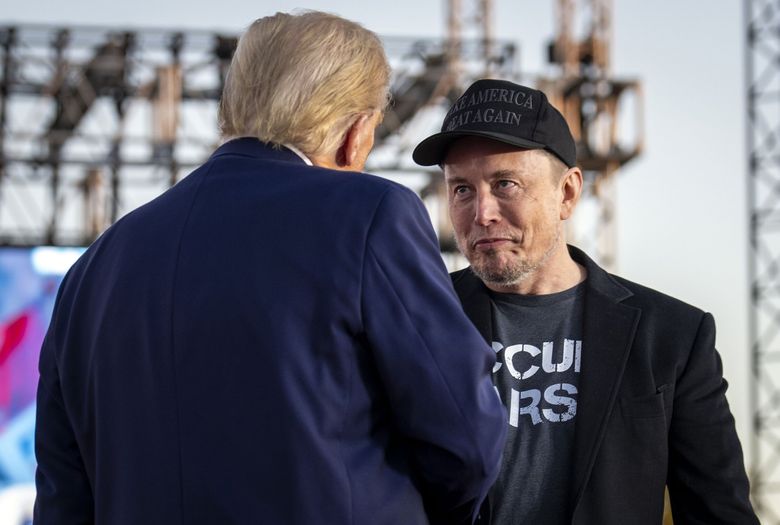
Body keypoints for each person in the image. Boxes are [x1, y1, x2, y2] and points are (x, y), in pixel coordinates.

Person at [34, 13, 507, 525]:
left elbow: (63, 496)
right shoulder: (369, 216)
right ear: (354, 132)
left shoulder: (93, 269)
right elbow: (465, 438)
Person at [412, 78, 758, 525]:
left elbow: (719, 513)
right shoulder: (417, 319)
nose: (482, 213)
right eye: (461, 189)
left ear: (568, 193)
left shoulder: (672, 336)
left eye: (506, 184)